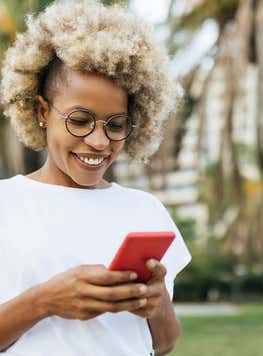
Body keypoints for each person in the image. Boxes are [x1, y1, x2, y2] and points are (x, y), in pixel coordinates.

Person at [0, 1, 191, 355]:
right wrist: (45, 301)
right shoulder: (5, 204)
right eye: (80, 120)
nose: (99, 141)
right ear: (43, 112)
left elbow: (164, 343)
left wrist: (156, 300)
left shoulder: (145, 209)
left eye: (115, 125)